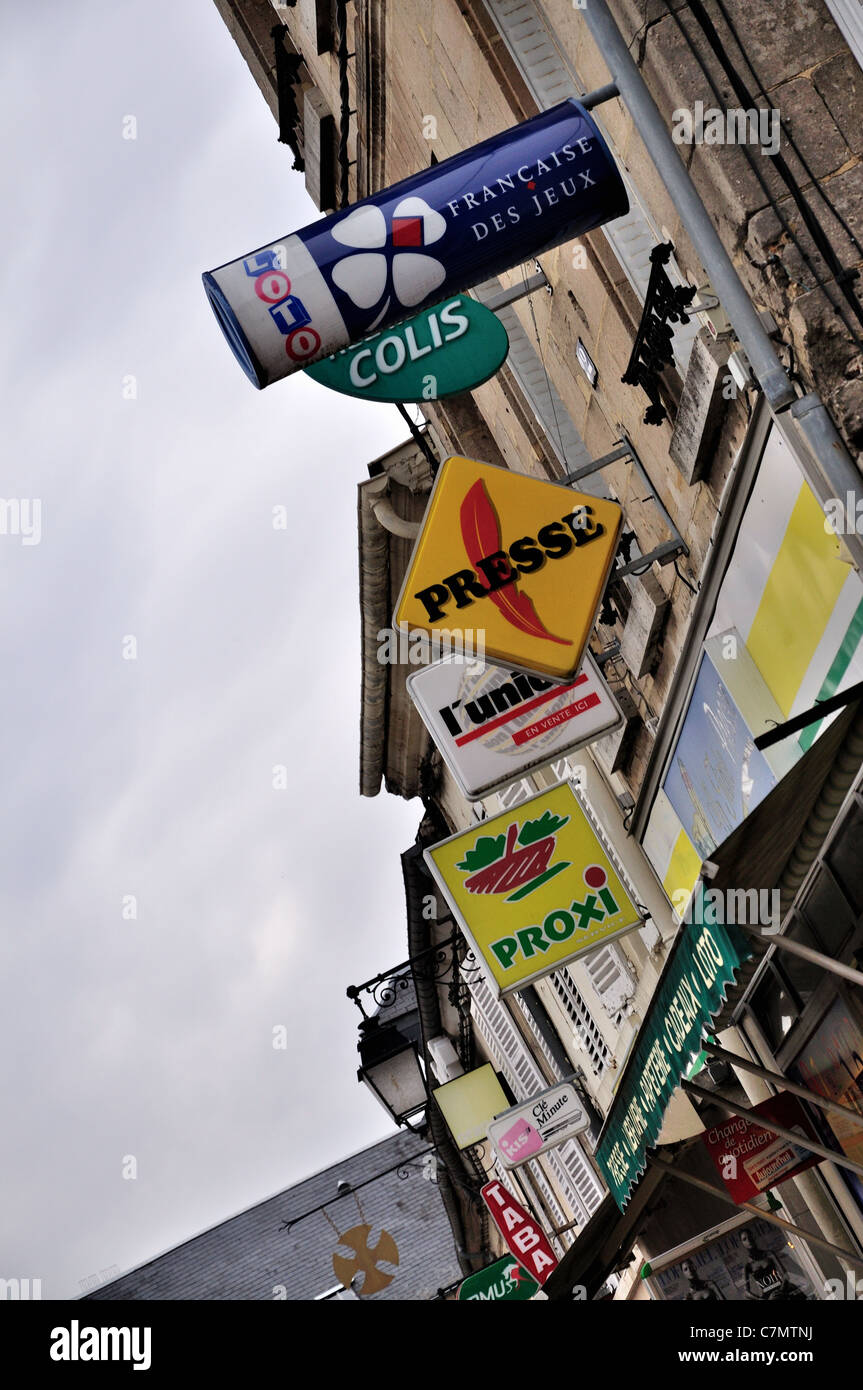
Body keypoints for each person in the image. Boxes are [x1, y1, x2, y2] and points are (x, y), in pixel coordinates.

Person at [739, 1227, 808, 1300]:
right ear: (742, 1243)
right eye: (744, 1239)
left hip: (782, 1290)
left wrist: (780, 1291)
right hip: (767, 1297)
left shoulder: (769, 1254)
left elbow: (785, 1274)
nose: (748, 1240)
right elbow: (746, 1293)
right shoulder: (748, 1266)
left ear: (753, 1237)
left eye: (749, 1237)